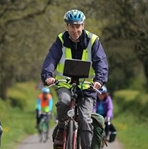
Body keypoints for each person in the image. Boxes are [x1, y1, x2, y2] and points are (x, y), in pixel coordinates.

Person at [41, 9, 108, 149]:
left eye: (78, 26)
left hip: (87, 87)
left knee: (85, 120)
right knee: (64, 102)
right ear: (67, 26)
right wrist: (48, 76)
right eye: (72, 26)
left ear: (83, 25)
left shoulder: (93, 41)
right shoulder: (61, 40)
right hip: (65, 84)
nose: (75, 30)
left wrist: (99, 80)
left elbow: (101, 62)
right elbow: (51, 59)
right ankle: (61, 129)